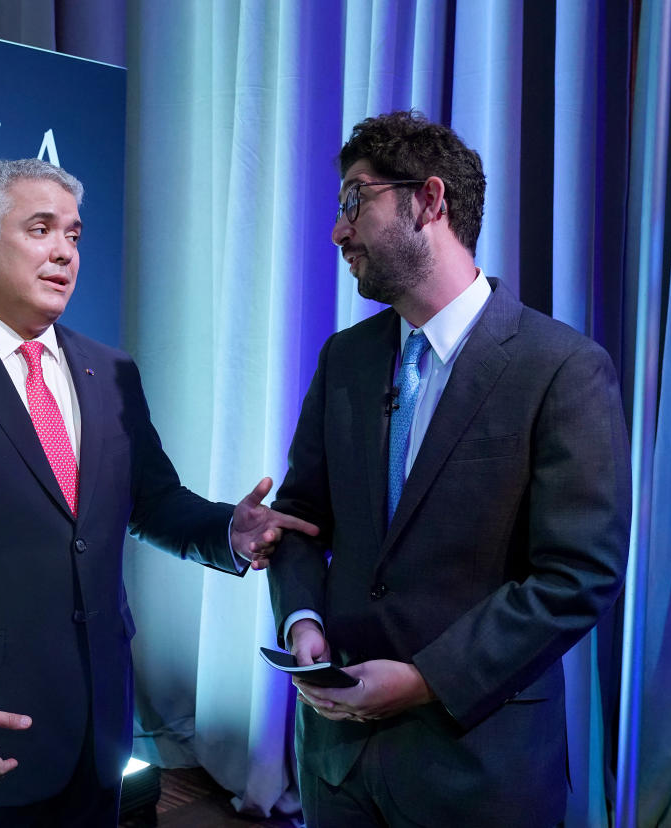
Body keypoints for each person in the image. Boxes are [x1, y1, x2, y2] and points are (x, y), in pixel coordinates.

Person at [0, 158, 317, 827]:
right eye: (41, 229)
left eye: (75, 235)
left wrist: (228, 531)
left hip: (96, 733)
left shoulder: (109, 371)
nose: (63, 251)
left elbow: (152, 501)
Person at [267, 112, 631, 827]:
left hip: (477, 768)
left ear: (429, 201)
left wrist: (426, 680)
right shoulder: (345, 359)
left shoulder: (561, 367)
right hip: (337, 762)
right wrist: (303, 622)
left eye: (353, 201)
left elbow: (577, 575)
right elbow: (302, 517)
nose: (338, 231)